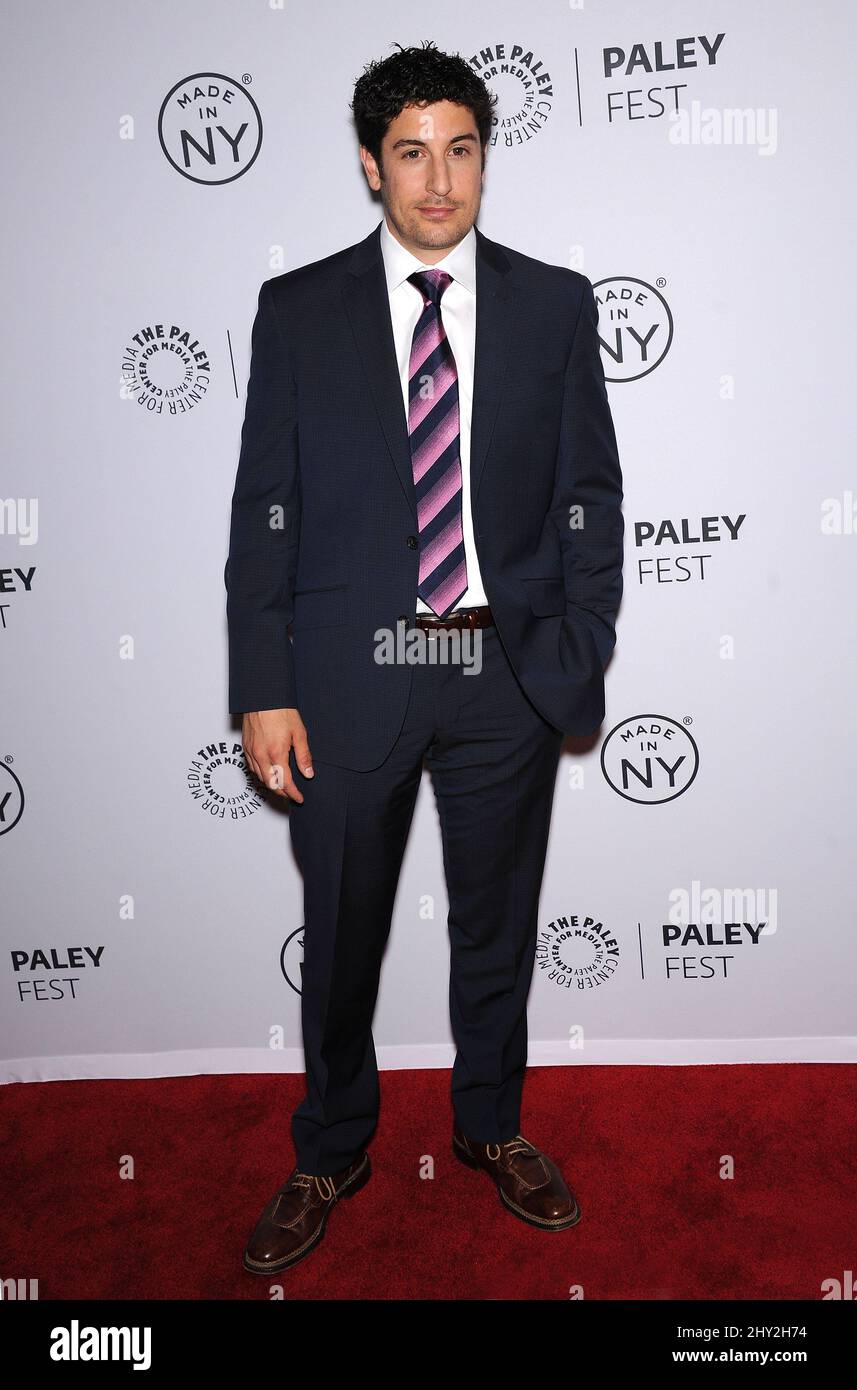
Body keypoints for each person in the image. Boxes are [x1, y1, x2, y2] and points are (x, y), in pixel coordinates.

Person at [225, 40, 624, 1274]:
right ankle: (331, 1143)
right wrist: (263, 685)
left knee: (495, 928)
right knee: (341, 932)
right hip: (350, 676)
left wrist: (574, 646)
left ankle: (491, 1126)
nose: (437, 180)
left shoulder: (554, 304)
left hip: (502, 676)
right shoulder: (297, 310)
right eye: (410, 153)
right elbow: (263, 511)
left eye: (459, 149)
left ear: (483, 159)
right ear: (369, 166)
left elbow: (589, 495)